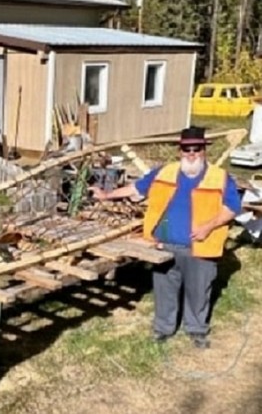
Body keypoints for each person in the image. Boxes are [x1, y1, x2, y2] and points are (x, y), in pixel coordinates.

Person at [89, 126, 241, 349]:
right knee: (164, 291)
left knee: (198, 292)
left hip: (200, 246)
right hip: (164, 245)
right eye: (186, 149)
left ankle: (196, 330)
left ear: (204, 151)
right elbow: (136, 188)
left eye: (196, 149)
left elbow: (232, 207)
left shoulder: (220, 178)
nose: (191, 154)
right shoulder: (164, 172)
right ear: (180, 151)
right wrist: (106, 195)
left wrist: (209, 227)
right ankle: (164, 329)